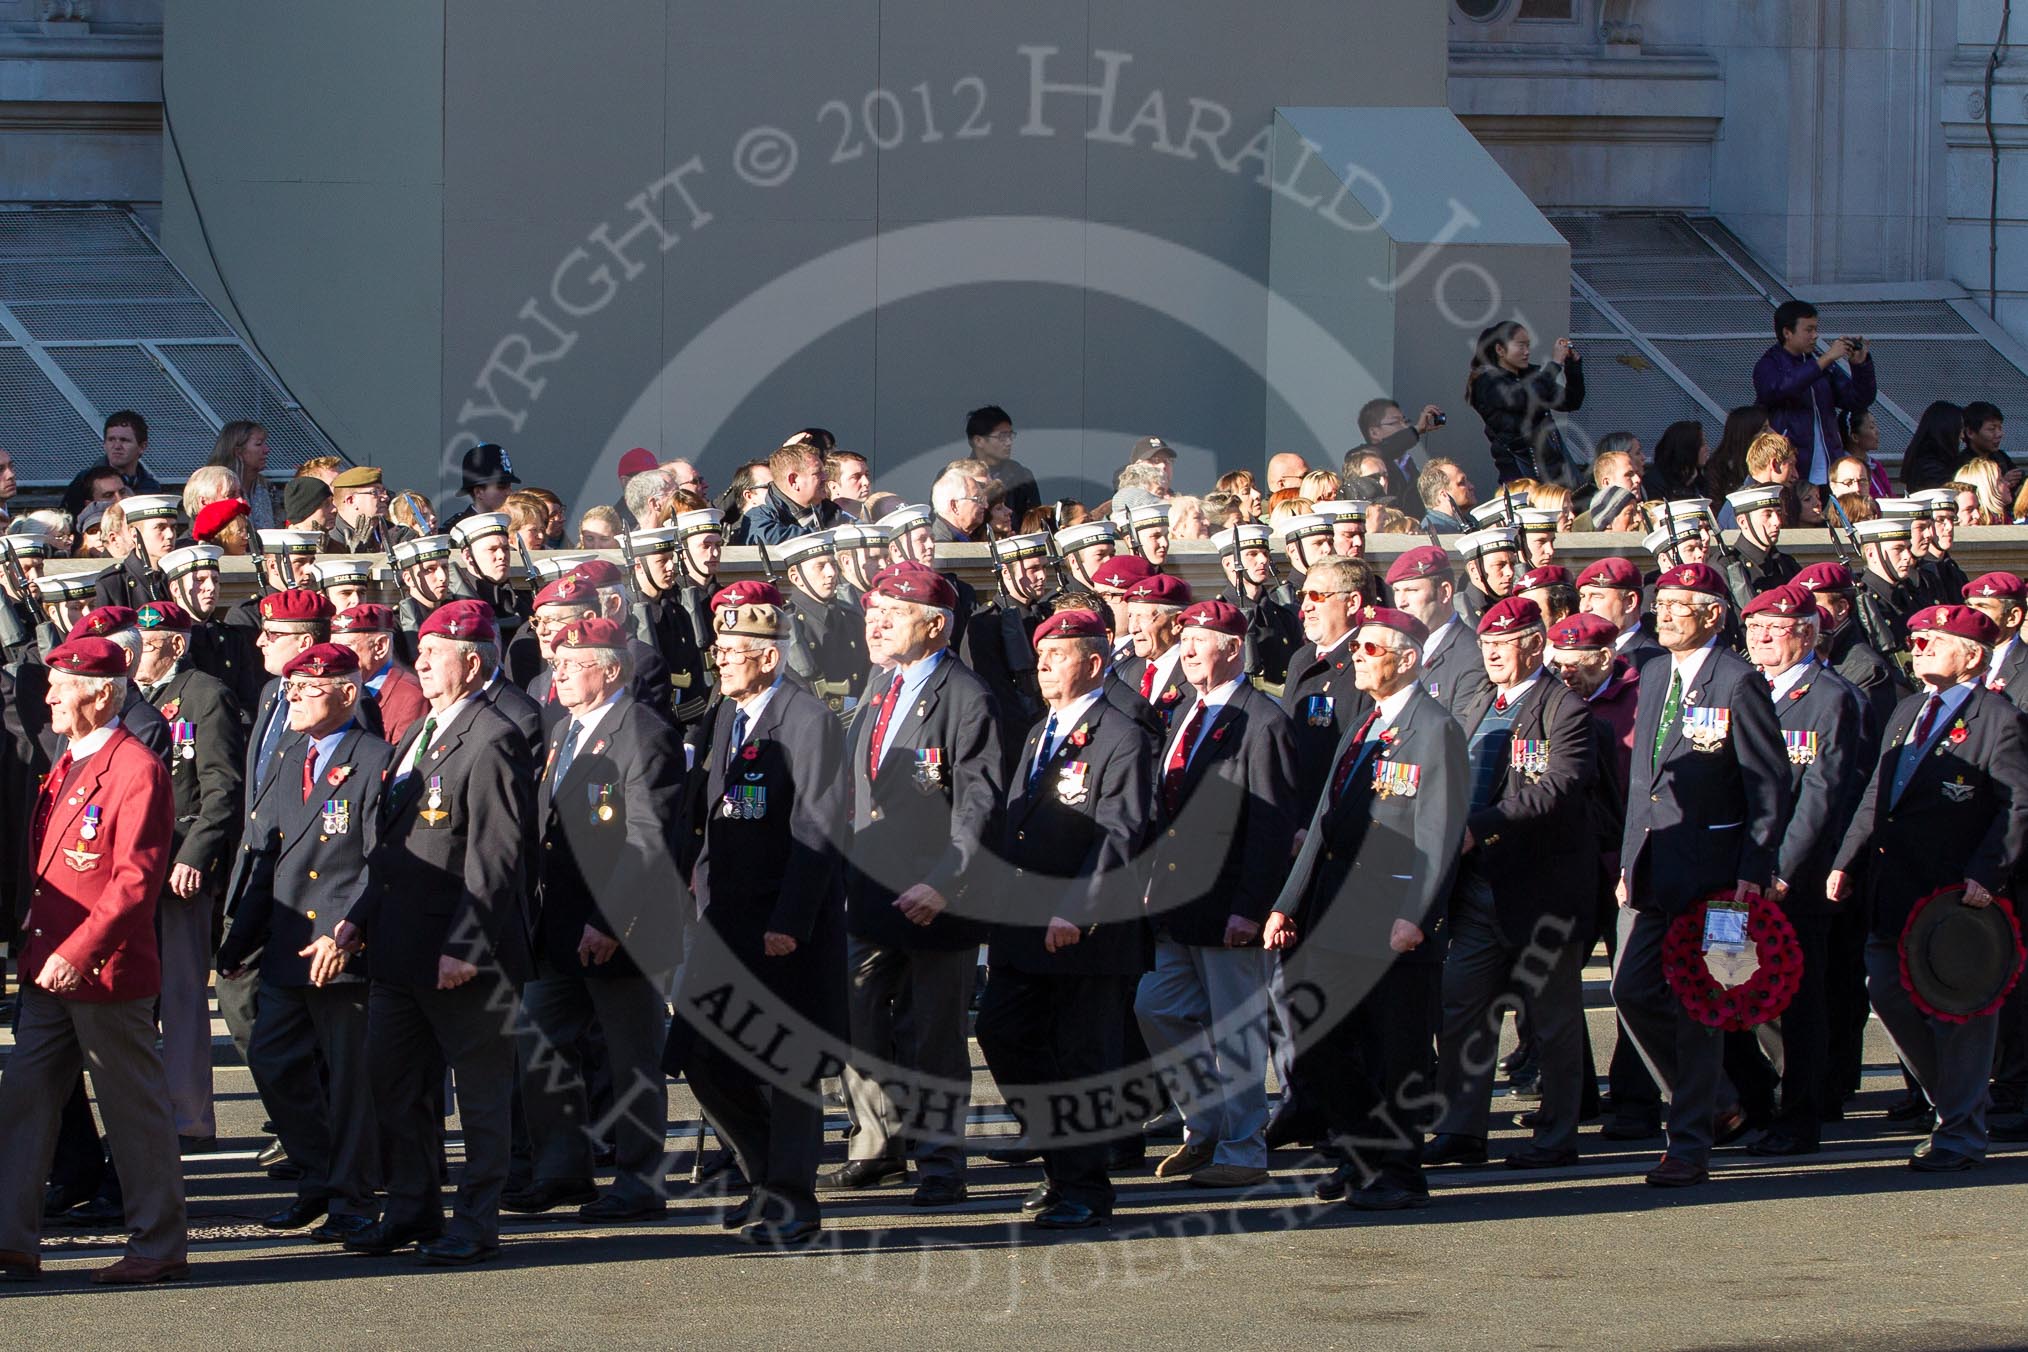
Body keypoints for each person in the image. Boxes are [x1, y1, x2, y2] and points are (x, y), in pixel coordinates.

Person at [332, 600, 533, 1265]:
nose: (418, 659)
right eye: (418, 648)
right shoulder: (417, 731)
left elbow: (498, 858)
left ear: (472, 662)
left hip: (458, 954)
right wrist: (356, 919)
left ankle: (476, 1221)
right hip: (397, 948)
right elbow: (392, 847)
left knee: (479, 1096)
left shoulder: (494, 736)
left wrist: (467, 947)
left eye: (434, 650)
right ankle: (412, 1207)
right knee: (395, 1083)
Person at [1265, 605, 1468, 1209]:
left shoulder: (1434, 729)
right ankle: (1360, 1153)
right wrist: (1286, 903)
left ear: (1408, 660)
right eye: (1356, 650)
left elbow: (1438, 835)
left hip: (1392, 920)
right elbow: (1324, 823)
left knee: (1394, 1053)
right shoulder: (1366, 725)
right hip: (1336, 913)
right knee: (1323, 1039)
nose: (1357, 658)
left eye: (1371, 650)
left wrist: (1418, 915)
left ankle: (1399, 1173)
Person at [667, 582, 847, 1247]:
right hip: (723, 923)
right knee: (704, 1058)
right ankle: (764, 1174)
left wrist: (790, 922)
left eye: (733, 651)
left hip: (780, 928)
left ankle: (793, 1199)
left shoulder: (807, 719)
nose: (721, 662)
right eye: (718, 649)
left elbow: (820, 828)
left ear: (769, 655)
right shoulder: (726, 716)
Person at [0, 636, 183, 1284]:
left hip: (104, 973)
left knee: (132, 1110)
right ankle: (11, 1240)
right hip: (48, 966)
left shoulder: (135, 768)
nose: (48, 694)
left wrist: (78, 950)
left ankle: (158, 1245)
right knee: (23, 1097)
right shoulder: (68, 759)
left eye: (62, 683)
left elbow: (135, 879)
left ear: (101, 693)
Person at [1611, 562, 1791, 1187]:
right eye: (1661, 603)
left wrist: (1753, 868)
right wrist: (1631, 857)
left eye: (1679, 606)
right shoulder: (1655, 673)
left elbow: (1768, 785)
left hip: (1718, 878)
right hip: (1657, 868)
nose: (1663, 614)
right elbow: (1645, 782)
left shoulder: (1738, 682)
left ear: (1713, 614)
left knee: (1702, 1007)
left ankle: (1688, 1145)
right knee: (1630, 991)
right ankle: (1718, 1099)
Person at [1830, 604, 2028, 1170]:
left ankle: (1961, 1135)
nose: (1917, 650)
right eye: (1915, 641)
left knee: (1960, 1015)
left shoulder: (1998, 718)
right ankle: (1962, 1108)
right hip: (1894, 886)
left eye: (1932, 642)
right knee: (1887, 991)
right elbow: (1878, 795)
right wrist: (1846, 858)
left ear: (1971, 656)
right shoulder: (1910, 710)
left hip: (1957, 898)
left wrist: (1989, 873)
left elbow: (2018, 805)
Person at [976, 609, 1152, 1227]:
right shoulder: (1037, 730)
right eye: (1041, 653)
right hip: (1024, 923)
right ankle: (1061, 1165)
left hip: (1084, 932)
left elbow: (1121, 834)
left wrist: (1079, 908)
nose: (1043, 663)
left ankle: (1086, 1187)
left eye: (1059, 653)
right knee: (1003, 1034)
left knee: (1080, 1057)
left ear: (1096, 664)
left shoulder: (1121, 734)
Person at [506, 616, 684, 1223]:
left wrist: (609, 922)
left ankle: (640, 1180)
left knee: (631, 1058)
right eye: (556, 661)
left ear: (610, 670)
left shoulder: (642, 732)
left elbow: (647, 838)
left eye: (572, 662)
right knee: (541, 1047)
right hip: (559, 928)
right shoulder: (564, 730)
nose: (557, 671)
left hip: (618, 932)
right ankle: (562, 1170)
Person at [214, 642, 390, 1242]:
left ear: (347, 692)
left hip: (340, 948)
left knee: (349, 1083)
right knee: (273, 1059)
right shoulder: (290, 753)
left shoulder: (375, 759)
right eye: (291, 687)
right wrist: (238, 941)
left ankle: (352, 1195)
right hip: (288, 942)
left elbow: (380, 861)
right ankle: (317, 1175)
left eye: (309, 688)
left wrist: (353, 931)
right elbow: (268, 855)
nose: (293, 697)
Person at [1427, 595, 1597, 1169]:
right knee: (1461, 1010)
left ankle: (1556, 1136)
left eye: (1504, 645)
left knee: (1551, 1021)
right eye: (1487, 645)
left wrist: (1482, 827)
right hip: (1475, 889)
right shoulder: (1476, 700)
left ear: (1533, 645)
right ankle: (1461, 1129)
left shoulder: (1563, 707)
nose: (1493, 653)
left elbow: (1558, 786)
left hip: (1539, 889)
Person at [1133, 599, 1298, 1189]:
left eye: (1200, 638)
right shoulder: (1185, 710)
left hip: (1229, 904)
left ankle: (1242, 1146)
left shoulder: (1263, 719)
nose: (1189, 648)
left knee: (1237, 1031)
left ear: (1232, 648)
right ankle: (1204, 1127)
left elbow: (1273, 825)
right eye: (1185, 639)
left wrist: (1252, 909)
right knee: (1156, 1007)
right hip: (1176, 904)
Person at [1735, 584, 1866, 1156]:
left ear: (1808, 634)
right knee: (1737, 986)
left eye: (1776, 627)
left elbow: (1821, 794)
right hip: (1738, 869)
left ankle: (1801, 1112)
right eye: (1754, 627)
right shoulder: (1741, 689)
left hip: (1794, 878)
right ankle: (1756, 1100)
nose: (1762, 637)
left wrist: (1783, 871)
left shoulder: (1828, 697)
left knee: (1797, 996)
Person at [132, 600, 245, 1149]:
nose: (138, 659)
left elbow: (221, 786)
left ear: (177, 645)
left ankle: (189, 1119)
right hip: (135, 865)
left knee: (180, 995)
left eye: (149, 648)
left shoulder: (205, 695)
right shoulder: (133, 697)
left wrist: (194, 856)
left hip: (179, 866)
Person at [1751, 301, 1878, 487]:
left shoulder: (1821, 364)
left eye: (1816, 329)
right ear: (1787, 332)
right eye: (1808, 330)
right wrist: (1826, 359)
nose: (1815, 336)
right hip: (1791, 466)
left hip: (1829, 465)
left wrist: (1860, 366)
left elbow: (1858, 400)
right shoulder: (1769, 364)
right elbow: (1778, 390)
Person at [1467, 322, 1585, 485]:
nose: (1527, 352)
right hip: (1520, 471)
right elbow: (1521, 399)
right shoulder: (1487, 381)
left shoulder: (1532, 378)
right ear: (1500, 349)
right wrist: (1554, 365)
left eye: (1528, 346)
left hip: (1554, 468)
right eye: (1521, 346)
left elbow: (1571, 401)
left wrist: (1572, 367)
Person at [1215, 522, 1302, 688]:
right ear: (1229, 564)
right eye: (1252, 554)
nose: (1263, 560)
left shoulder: (1283, 615)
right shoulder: (1218, 617)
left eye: (1265, 553)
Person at [330, 604, 429, 744]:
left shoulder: (410, 697)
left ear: (380, 647)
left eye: (347, 648)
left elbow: (401, 759)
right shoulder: (336, 687)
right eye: (333, 647)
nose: (336, 656)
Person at [60, 411, 164, 518]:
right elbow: (67, 522)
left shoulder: (151, 487)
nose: (117, 446)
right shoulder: (84, 481)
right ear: (104, 444)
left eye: (124, 440)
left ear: (142, 447)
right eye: (111, 440)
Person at [736, 442, 837, 545]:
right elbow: (770, 539)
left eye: (824, 472)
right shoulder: (758, 519)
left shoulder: (834, 511)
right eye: (817, 473)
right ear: (793, 481)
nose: (825, 477)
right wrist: (833, 535)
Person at [91, 494, 180, 610]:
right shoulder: (113, 583)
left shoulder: (181, 577)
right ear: (134, 534)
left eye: (173, 527)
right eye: (160, 528)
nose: (170, 535)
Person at [1575, 556, 1665, 669]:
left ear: (1630, 602)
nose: (1584, 607)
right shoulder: (1577, 654)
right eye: (1582, 596)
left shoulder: (1654, 661)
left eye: (1596, 596)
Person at [966, 405, 1040, 526]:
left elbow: (1034, 523)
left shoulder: (1022, 476)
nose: (1009, 442)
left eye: (1010, 435)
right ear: (978, 441)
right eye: (1002, 437)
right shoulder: (954, 477)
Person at [440, 443, 520, 535]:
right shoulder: (457, 530)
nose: (509, 492)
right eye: (501, 487)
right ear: (478, 492)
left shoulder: (515, 523)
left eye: (509, 486)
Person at [1900, 401, 1968, 496]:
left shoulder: (1923, 458)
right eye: (1960, 429)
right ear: (1947, 430)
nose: (1962, 436)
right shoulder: (1931, 467)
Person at [324, 466, 398, 553]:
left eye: (383, 491)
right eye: (375, 492)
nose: (385, 497)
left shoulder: (394, 534)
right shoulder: (330, 544)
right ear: (351, 500)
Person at [1417, 458, 1477, 534]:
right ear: (1444, 495)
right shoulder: (1432, 533)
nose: (1471, 486)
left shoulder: (1468, 522)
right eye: (1461, 483)